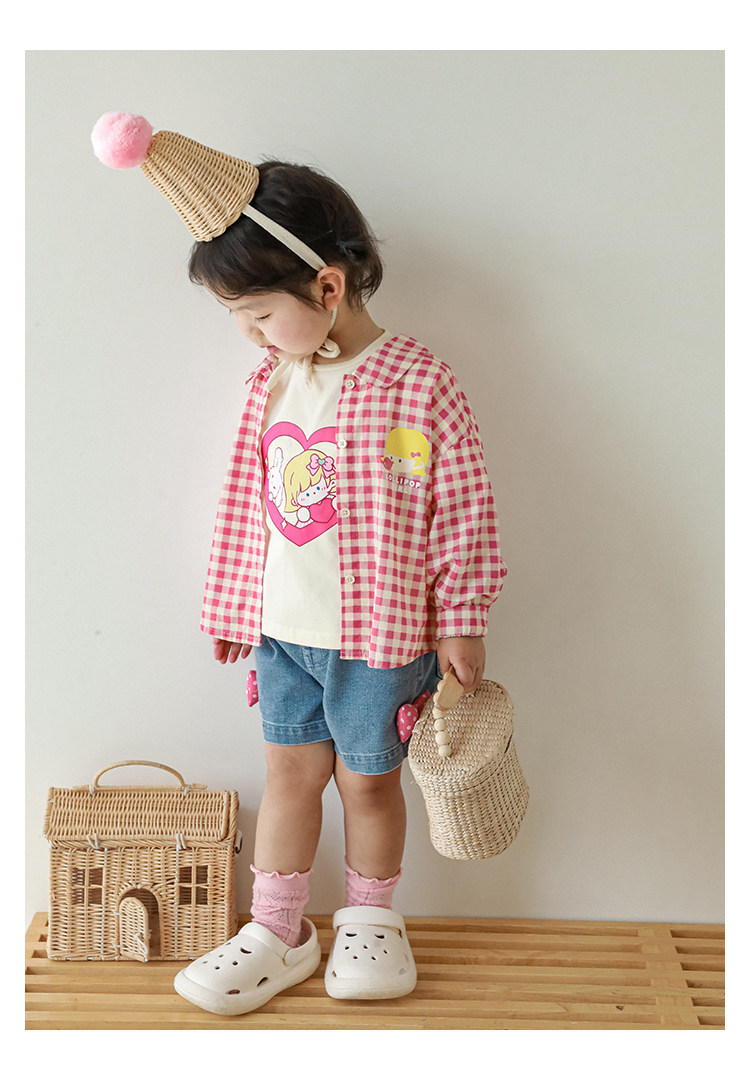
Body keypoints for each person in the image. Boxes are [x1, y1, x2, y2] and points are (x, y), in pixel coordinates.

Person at [91, 114, 507, 1015]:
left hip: (382, 635)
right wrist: (232, 608)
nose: (249, 335)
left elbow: (464, 509)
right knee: (288, 774)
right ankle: (279, 928)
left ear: (326, 285)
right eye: (237, 320)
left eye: (257, 315)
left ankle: (371, 919)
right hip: (285, 632)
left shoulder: (417, 382)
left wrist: (463, 619)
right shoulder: (271, 383)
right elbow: (247, 502)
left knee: (369, 779)